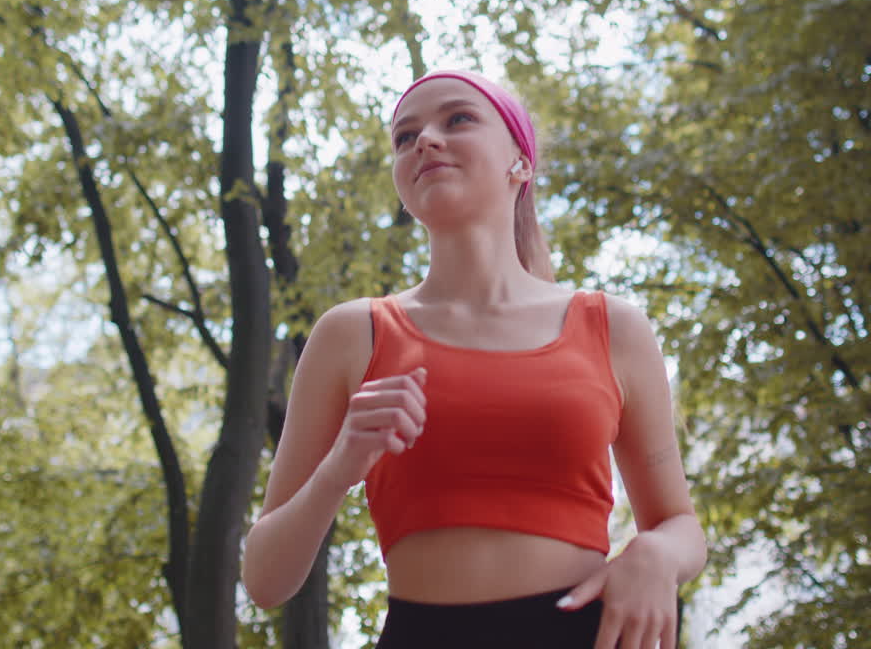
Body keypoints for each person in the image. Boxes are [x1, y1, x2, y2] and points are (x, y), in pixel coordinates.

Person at [242, 69, 706, 649]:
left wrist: (656, 552)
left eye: (458, 119)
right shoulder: (351, 335)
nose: (425, 140)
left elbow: (681, 525)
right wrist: (340, 467)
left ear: (521, 162)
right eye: (405, 137)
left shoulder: (613, 327)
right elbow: (264, 581)